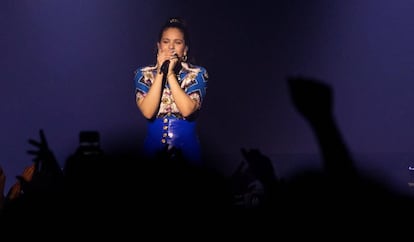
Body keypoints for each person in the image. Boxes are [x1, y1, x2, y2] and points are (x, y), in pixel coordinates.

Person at [133, 17, 208, 166]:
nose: (171, 48)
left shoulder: (197, 74)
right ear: (158, 46)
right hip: (152, 150)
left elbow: (187, 110)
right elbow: (148, 111)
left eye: (178, 42)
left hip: (187, 151)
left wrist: (171, 75)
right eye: (166, 42)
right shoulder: (143, 74)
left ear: (185, 49)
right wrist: (161, 72)